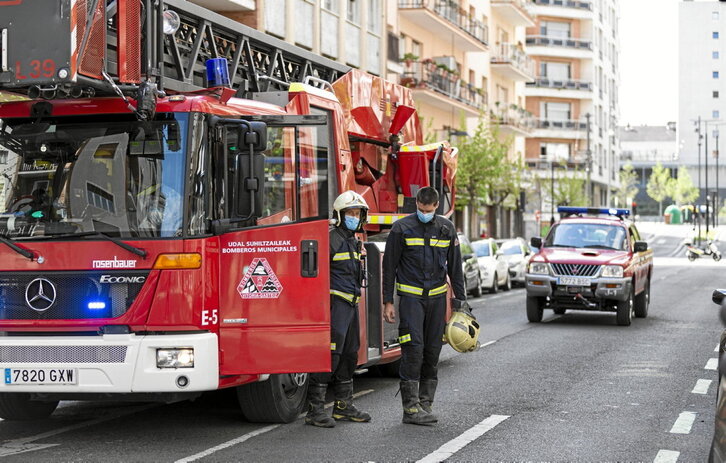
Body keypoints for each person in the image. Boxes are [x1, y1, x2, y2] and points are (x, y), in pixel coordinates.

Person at [382, 187, 467, 426]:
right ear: (416, 204)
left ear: (436, 207)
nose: (424, 214)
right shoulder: (401, 228)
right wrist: (388, 301)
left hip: (437, 300)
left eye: (428, 211)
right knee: (413, 350)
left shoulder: (446, 228)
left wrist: (460, 302)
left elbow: (455, 269)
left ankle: (425, 404)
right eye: (420, 210)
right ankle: (410, 409)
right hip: (410, 301)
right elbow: (389, 266)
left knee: (432, 352)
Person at [305, 190, 372, 428]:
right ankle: (314, 410)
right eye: (350, 213)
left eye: (357, 213)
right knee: (329, 356)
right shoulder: (330, 239)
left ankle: (343, 407)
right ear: (339, 215)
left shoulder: (353, 240)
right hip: (334, 306)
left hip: (350, 304)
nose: (354, 217)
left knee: (350, 354)